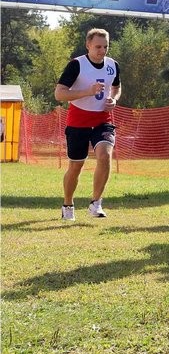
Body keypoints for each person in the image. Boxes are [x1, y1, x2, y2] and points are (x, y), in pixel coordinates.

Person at [54, 28, 121, 220]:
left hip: (102, 121)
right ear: (88, 45)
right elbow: (59, 94)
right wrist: (87, 92)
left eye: (106, 46)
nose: (102, 50)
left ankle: (96, 203)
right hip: (78, 122)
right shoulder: (76, 65)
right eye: (98, 46)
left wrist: (114, 99)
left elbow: (116, 86)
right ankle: (68, 204)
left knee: (105, 155)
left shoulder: (113, 65)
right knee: (76, 166)